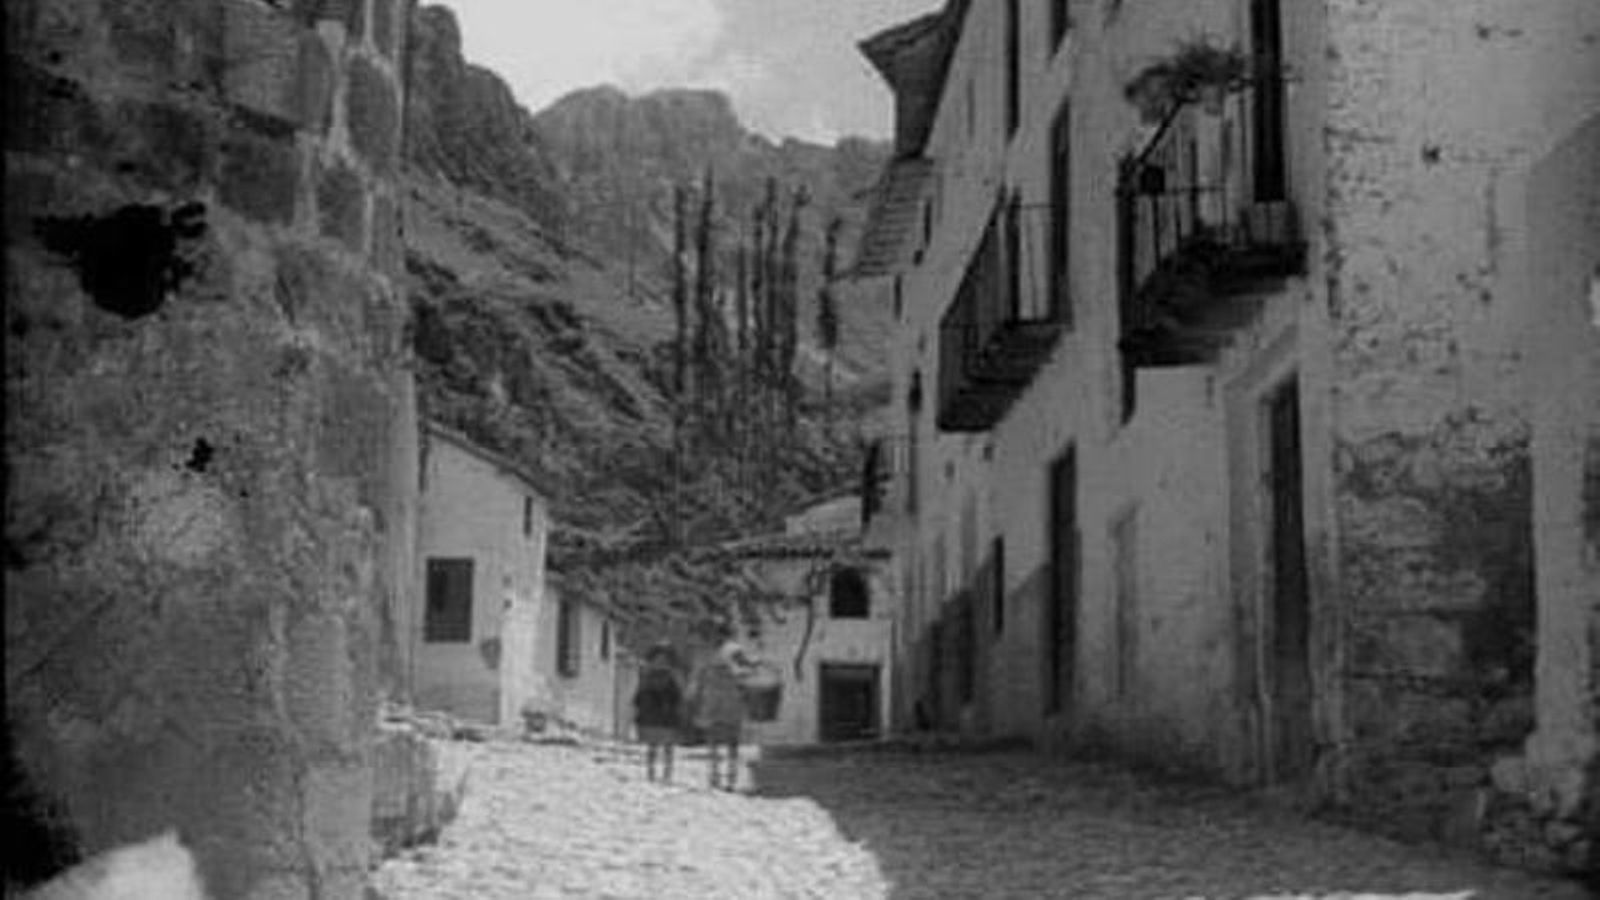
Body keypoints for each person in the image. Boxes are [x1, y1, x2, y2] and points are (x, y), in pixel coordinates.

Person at [688, 624, 753, 791]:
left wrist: (737, 672)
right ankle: (716, 777)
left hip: (728, 700)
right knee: (714, 741)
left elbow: (747, 669)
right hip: (716, 700)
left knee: (730, 742)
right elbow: (699, 676)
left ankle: (729, 778)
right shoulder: (707, 652)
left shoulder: (733, 650)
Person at [632, 641, 684, 783]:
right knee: (653, 746)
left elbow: (677, 697)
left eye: (664, 659)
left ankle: (666, 774)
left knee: (666, 747)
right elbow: (639, 696)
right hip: (652, 716)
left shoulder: (671, 679)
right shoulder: (648, 678)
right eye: (658, 659)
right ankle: (652, 773)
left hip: (666, 718)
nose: (661, 662)